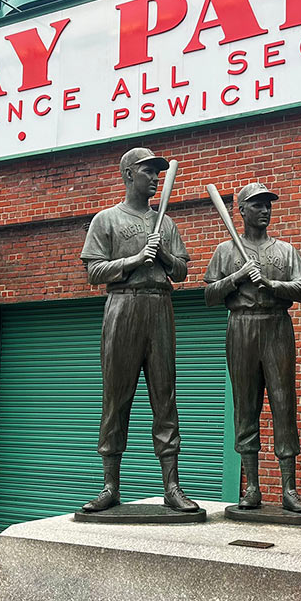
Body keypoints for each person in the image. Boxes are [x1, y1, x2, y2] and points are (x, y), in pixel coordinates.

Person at [79, 147, 198, 513]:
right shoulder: (107, 220)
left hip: (159, 306)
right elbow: (95, 271)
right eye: (148, 171)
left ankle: (172, 486)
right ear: (129, 174)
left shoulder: (166, 223)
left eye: (158, 171)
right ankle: (110, 486)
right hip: (123, 306)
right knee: (116, 399)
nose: (156, 177)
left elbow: (181, 272)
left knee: (165, 397)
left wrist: (161, 254)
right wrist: (134, 259)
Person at [204, 182, 301, 512]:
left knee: (283, 404)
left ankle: (289, 489)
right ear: (242, 210)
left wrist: (271, 284)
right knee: (246, 406)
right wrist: (237, 277)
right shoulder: (226, 251)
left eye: (268, 205)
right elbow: (209, 295)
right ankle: (251, 487)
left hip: (276, 324)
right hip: (241, 325)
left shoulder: (285, 251)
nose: (265, 210)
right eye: (257, 205)